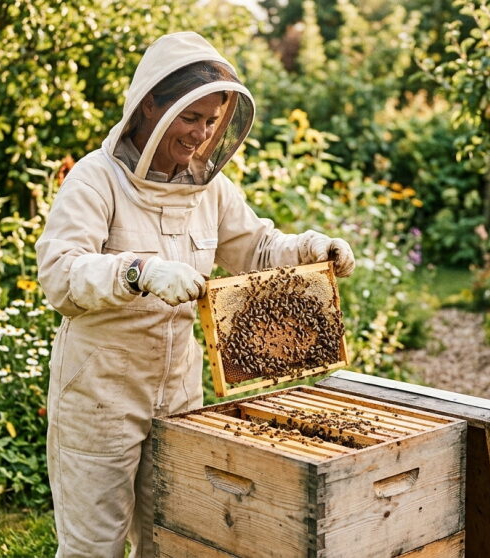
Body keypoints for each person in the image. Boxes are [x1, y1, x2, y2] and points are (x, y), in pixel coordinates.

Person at [35, 31, 355, 558]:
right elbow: (60, 275)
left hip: (180, 393)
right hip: (101, 391)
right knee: (94, 546)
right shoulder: (97, 181)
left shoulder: (210, 189)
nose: (201, 134)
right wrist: (138, 272)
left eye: (211, 121)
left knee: (176, 537)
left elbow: (256, 247)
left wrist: (310, 248)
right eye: (191, 117)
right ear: (151, 107)